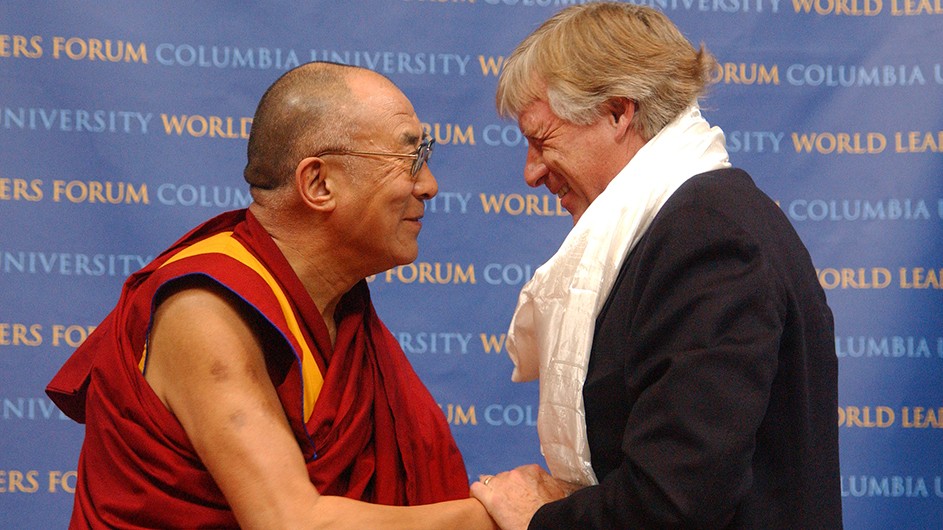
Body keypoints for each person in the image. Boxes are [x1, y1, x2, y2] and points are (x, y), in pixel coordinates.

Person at [46, 62, 496, 529]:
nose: (429, 185)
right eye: (410, 160)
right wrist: (498, 519)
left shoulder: (342, 313)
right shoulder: (204, 308)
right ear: (319, 184)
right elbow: (289, 521)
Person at [469, 3, 842, 529]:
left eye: (541, 141)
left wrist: (539, 515)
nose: (531, 173)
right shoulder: (684, 225)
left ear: (620, 112)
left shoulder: (708, 236)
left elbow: (674, 505)